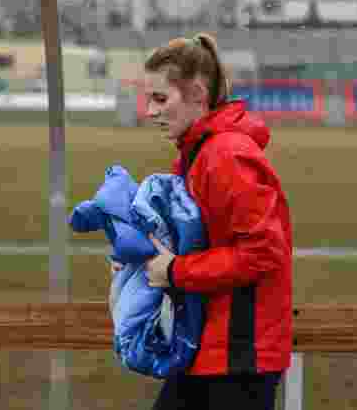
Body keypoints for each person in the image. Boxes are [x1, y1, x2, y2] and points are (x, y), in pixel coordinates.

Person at [113, 33, 293, 410]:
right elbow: (203, 240)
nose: (149, 111)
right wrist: (143, 261)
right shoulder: (200, 153)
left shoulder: (225, 155)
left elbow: (263, 252)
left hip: (237, 361)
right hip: (209, 349)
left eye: (160, 99)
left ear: (197, 93)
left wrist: (176, 271)